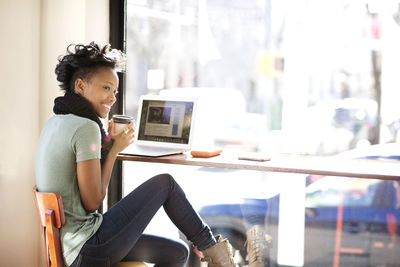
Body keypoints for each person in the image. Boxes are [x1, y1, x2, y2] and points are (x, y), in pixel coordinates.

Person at [35, 42, 237, 267]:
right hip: (87, 248)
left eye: (115, 91)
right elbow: (92, 202)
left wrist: (109, 143)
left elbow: (78, 175)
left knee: (178, 253)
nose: (112, 98)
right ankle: (220, 258)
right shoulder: (86, 127)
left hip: (70, 250)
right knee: (165, 184)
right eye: (105, 88)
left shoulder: (55, 122)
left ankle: (216, 256)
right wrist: (113, 150)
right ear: (81, 86)